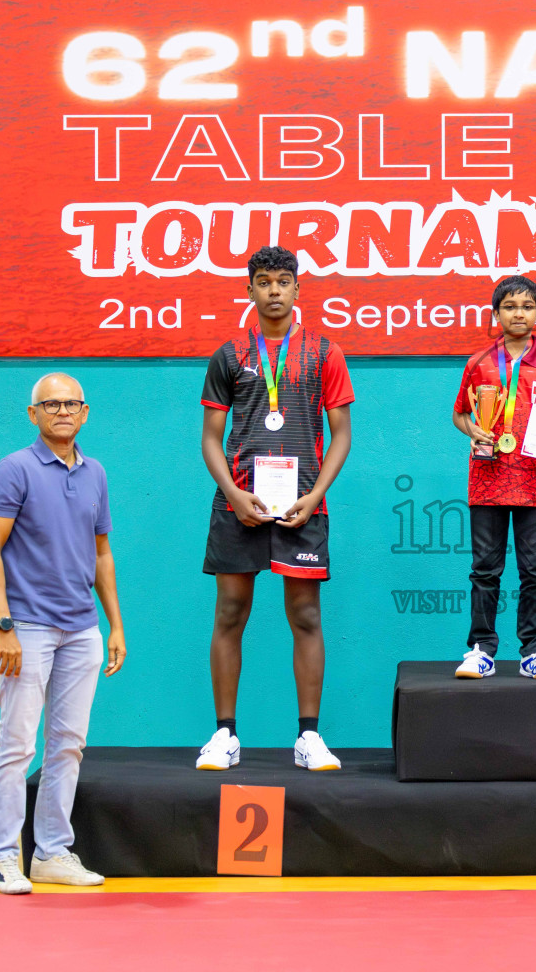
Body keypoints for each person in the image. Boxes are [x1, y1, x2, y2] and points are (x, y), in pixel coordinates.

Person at [195, 245, 354, 773]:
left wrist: (314, 496)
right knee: (230, 612)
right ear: (249, 290)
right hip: (239, 501)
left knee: (306, 615)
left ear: (298, 289)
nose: (274, 291)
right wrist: (235, 495)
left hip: (302, 505)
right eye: (264, 282)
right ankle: (224, 736)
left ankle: (309, 737)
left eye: (284, 282)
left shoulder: (325, 352)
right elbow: (211, 440)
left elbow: (342, 435)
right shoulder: (229, 355)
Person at [0, 373, 127, 895]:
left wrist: (114, 624)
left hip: (82, 628)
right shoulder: (14, 470)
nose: (63, 411)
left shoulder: (96, 473)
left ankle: (52, 853)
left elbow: (101, 553)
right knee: (16, 745)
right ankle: (2, 858)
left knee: (68, 745)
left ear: (84, 413)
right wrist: (3, 627)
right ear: (33, 414)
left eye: (72, 403)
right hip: (28, 628)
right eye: (52, 404)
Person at [452, 275, 536, 679]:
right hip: (487, 478)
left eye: (526, 306)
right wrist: (474, 431)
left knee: (535, 572)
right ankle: (481, 648)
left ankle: (534, 651)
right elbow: (459, 414)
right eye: (510, 306)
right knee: (485, 569)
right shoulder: (479, 362)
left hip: (535, 481)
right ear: (496, 314)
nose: (518, 313)